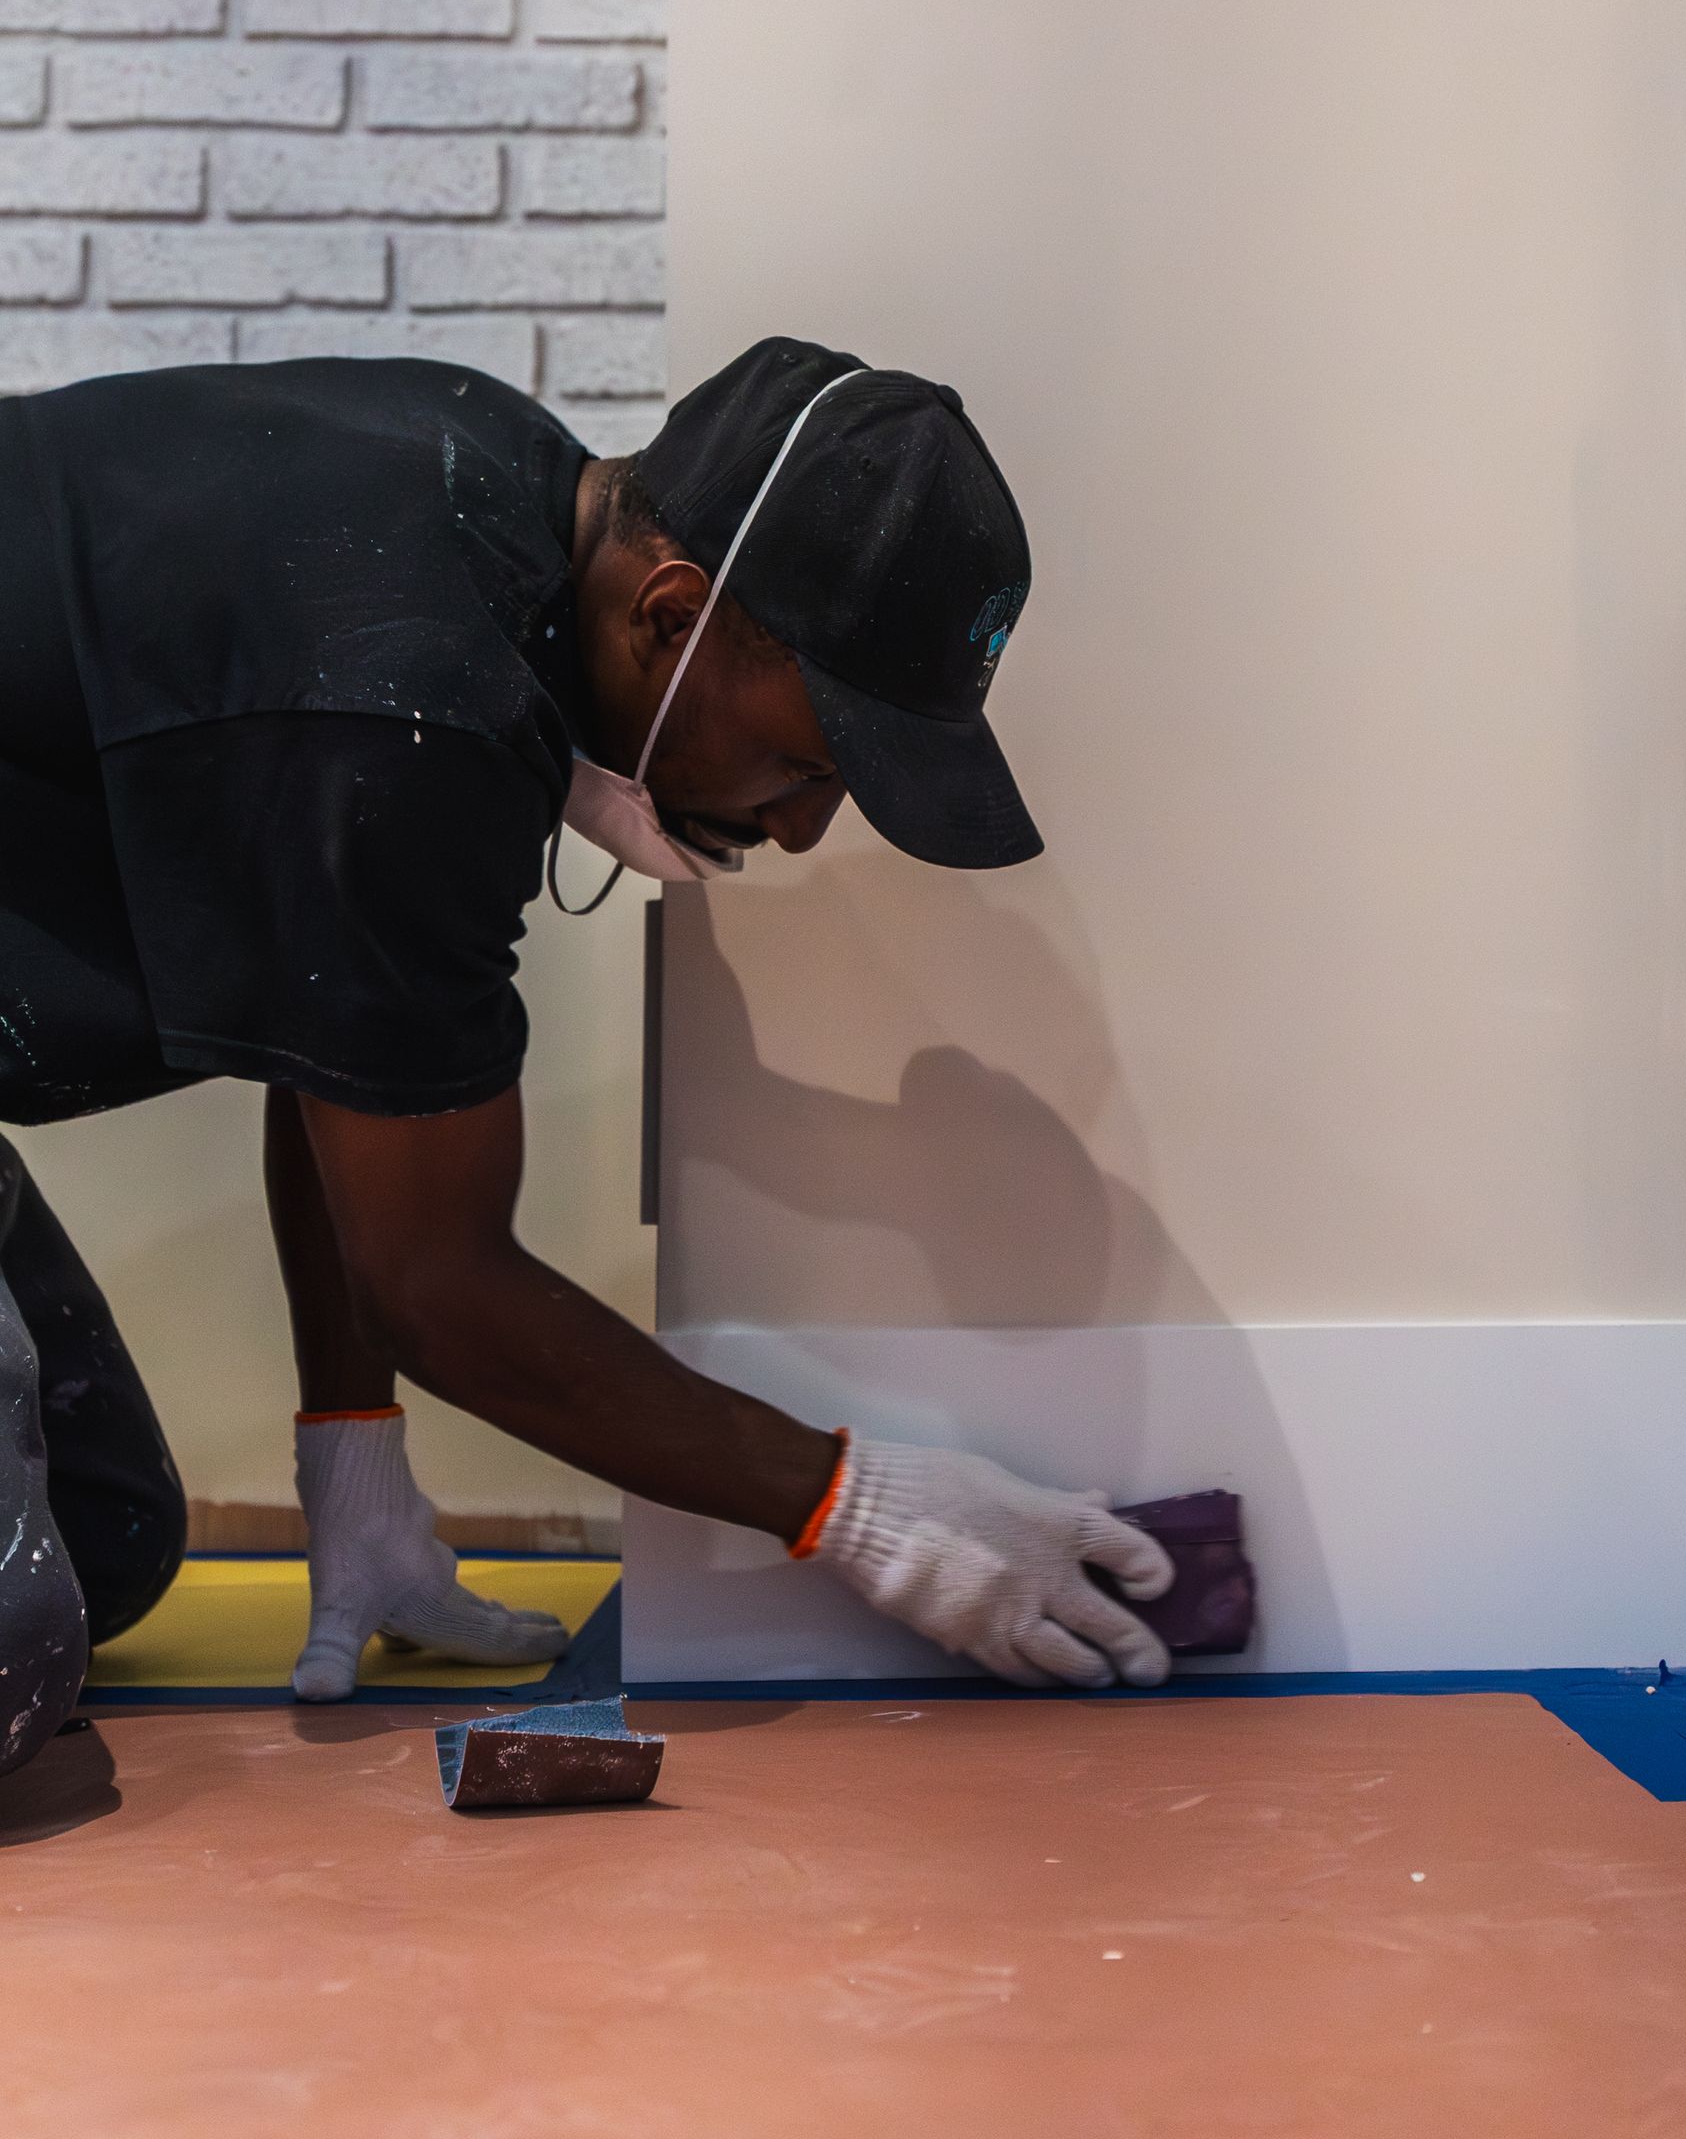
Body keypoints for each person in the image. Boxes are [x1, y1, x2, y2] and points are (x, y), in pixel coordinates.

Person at [0, 336, 1174, 1780]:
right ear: (671, 612)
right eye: (812, 766)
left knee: (100, 1545)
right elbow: (442, 1286)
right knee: (12, 1645)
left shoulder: (497, 492)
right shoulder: (414, 703)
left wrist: (352, 1466)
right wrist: (868, 1513)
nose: (807, 830)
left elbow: (348, 1042)